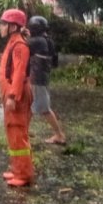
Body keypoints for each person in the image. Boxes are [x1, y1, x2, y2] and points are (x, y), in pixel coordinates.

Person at [0, 9, 34, 187]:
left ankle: (23, 174)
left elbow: (19, 73)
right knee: (13, 133)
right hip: (11, 93)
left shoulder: (19, 45)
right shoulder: (13, 42)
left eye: (3, 24)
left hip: (16, 95)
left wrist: (12, 96)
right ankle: (16, 169)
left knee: (18, 132)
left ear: (13, 27)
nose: (0, 27)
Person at [27, 15, 66, 144]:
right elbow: (55, 62)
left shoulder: (36, 41)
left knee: (44, 109)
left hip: (37, 79)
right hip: (43, 76)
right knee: (29, 105)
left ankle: (59, 135)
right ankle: (24, 130)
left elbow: (22, 44)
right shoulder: (48, 40)